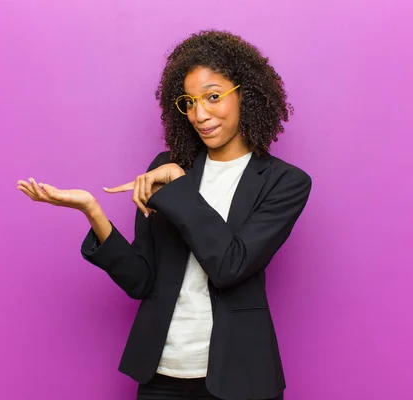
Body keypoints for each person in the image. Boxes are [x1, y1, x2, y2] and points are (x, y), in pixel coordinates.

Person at [18, 30, 312, 400]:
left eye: (213, 97)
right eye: (188, 102)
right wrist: (93, 212)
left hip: (241, 377)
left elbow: (230, 266)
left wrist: (179, 186)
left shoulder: (285, 182)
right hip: (161, 375)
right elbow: (142, 281)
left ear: (246, 94)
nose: (199, 114)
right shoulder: (166, 167)